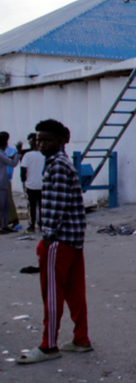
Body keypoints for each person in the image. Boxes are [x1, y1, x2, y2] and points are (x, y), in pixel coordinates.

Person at [17, 119, 92, 364]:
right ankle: (81, 339)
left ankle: (49, 345)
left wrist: (47, 238)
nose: (42, 144)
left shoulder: (57, 166)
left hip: (59, 240)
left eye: (48, 139)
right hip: (72, 239)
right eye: (39, 139)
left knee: (52, 293)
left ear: (61, 141)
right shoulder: (61, 163)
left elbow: (56, 207)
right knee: (74, 291)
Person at [20, 134, 45, 232]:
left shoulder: (27, 155)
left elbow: (23, 170)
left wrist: (24, 181)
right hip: (42, 184)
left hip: (31, 184)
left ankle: (32, 225)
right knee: (42, 206)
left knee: (31, 206)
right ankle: (42, 224)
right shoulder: (44, 155)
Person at [0, 132, 15, 232]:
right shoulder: (1, 154)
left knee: (6, 205)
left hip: (5, 181)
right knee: (2, 205)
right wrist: (18, 154)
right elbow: (12, 163)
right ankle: (2, 226)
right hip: (1, 182)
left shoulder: (3, 153)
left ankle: (5, 226)